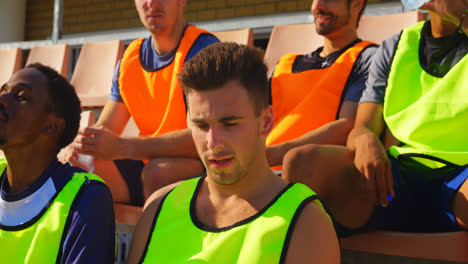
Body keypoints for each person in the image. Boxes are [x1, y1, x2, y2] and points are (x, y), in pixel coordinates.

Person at [126, 43, 340, 263]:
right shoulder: (159, 206)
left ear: (266, 122)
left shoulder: (306, 221)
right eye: (201, 125)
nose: (213, 143)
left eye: (229, 124)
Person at [284, 0, 468, 235]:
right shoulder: (395, 46)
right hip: (394, 177)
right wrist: (365, 140)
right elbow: (362, 129)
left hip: (461, 175)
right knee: (301, 162)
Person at [60, 0, 219, 205]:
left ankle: (153, 233)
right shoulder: (130, 58)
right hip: (146, 160)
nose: (151, 3)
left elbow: (205, 137)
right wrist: (79, 147)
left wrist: (124, 147)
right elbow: (106, 127)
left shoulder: (204, 51)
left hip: (202, 163)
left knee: (157, 173)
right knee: (76, 167)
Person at [0, 64, 115, 263]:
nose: (1, 100)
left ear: (52, 126)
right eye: (3, 91)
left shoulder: (86, 197)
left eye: (21, 96)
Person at [266, 0, 378, 169]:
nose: (317, 6)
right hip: (262, 173)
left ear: (356, 4)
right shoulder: (284, 64)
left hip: (314, 176)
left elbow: (348, 126)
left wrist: (270, 155)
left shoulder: (368, 57)